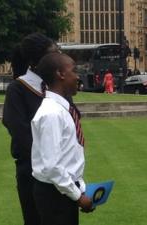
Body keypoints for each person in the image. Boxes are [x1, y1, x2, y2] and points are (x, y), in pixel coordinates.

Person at [2, 33, 59, 225]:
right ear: (37, 61)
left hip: (61, 170)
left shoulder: (56, 87)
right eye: (53, 55)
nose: (57, 59)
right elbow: (20, 132)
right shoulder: (18, 89)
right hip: (33, 171)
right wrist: (48, 161)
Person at [31, 52, 93, 225]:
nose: (77, 76)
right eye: (73, 70)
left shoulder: (61, 110)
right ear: (60, 74)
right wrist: (77, 196)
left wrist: (79, 188)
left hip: (62, 190)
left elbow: (68, 156)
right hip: (55, 194)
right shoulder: (52, 113)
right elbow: (52, 165)